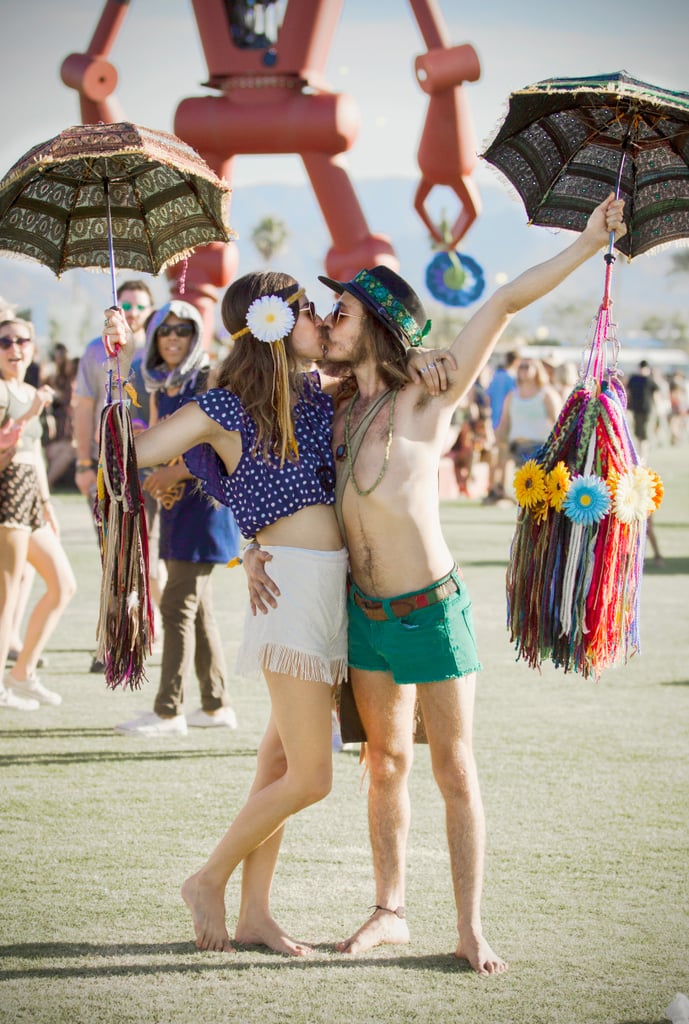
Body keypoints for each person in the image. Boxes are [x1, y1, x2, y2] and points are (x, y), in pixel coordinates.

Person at [245, 194, 627, 974]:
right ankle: (388, 911)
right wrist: (250, 544)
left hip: (431, 609)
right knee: (383, 763)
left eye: (340, 314)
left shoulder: (430, 393)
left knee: (454, 768)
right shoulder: (331, 408)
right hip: (364, 613)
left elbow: (505, 301)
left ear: (380, 325)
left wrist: (589, 243)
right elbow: (256, 457)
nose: (326, 324)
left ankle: (469, 929)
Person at [103, 272, 349, 955]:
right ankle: (207, 879)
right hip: (291, 593)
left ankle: (256, 916)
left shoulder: (312, 394)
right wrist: (118, 370)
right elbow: (128, 451)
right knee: (311, 777)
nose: (321, 321)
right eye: (307, 311)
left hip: (328, 590)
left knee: (278, 769)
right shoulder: (225, 403)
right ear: (271, 322)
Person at [114, 301, 240, 737]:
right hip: (176, 508)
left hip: (206, 510)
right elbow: (159, 444)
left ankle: (168, 711)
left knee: (176, 607)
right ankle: (216, 704)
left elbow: (220, 446)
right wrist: (158, 473)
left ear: (195, 336)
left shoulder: (209, 379)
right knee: (197, 607)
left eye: (182, 330)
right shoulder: (158, 384)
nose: (172, 337)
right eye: (163, 330)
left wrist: (175, 471)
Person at [73, 279, 157, 672]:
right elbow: (85, 407)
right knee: (113, 556)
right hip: (110, 473)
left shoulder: (163, 346)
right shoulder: (95, 351)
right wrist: (84, 465)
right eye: (127, 304)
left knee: (152, 561)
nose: (134, 311)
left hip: (154, 470)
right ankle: (108, 642)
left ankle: (144, 635)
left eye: (141, 306)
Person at [0, 317, 77, 710]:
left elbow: (35, 457)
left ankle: (22, 672)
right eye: (5, 341)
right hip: (6, 496)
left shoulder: (28, 390)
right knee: (7, 594)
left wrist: (47, 505)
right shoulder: (6, 393)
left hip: (31, 495)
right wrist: (31, 412)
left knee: (63, 584)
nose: (15, 348)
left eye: (23, 340)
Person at [494, 356, 562, 493]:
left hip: (539, 448)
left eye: (527, 366)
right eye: (520, 367)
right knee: (524, 490)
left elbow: (558, 422)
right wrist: (498, 440)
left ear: (537, 370)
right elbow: (504, 421)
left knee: (536, 491)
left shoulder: (546, 394)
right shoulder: (513, 395)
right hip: (517, 448)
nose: (523, 370)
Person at [625, 359, 659, 458]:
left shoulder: (650, 380)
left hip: (647, 410)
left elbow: (656, 394)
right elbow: (628, 393)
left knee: (645, 433)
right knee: (638, 433)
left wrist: (659, 407)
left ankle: (643, 456)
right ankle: (640, 455)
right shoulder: (634, 379)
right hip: (636, 409)